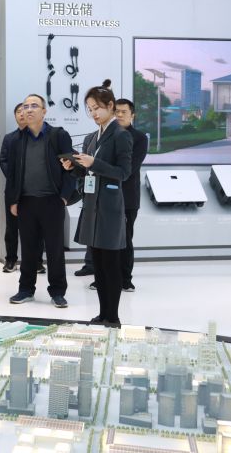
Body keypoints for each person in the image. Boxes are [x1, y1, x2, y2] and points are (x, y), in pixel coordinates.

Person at [61, 80, 133, 326]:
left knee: (110, 265)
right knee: (99, 265)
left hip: (110, 208)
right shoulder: (92, 137)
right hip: (92, 206)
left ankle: (113, 317)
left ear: (110, 106)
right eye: (90, 109)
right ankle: (103, 313)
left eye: (97, 108)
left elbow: (124, 172)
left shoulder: (121, 135)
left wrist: (95, 163)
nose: (93, 113)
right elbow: (86, 173)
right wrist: (73, 167)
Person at [5, 95, 75, 309]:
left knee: (55, 249)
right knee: (28, 249)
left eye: (34, 106)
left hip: (52, 201)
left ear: (44, 111)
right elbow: (12, 174)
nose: (28, 109)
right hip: (26, 202)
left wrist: (64, 197)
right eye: (25, 106)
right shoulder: (17, 140)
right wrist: (13, 200)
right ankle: (26, 289)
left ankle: (58, 292)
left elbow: (70, 169)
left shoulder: (58, 135)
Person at [0, 103, 45, 274]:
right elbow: (3, 161)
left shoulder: (39, 136)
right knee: (12, 227)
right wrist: (16, 178)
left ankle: (37, 261)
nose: (21, 114)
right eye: (18, 112)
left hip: (35, 190)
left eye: (23, 111)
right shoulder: (9, 138)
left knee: (37, 227)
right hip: (13, 190)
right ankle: (11, 260)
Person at [113, 98, 147, 292]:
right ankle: (104, 278)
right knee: (105, 241)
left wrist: (105, 169)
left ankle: (125, 279)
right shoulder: (107, 135)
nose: (119, 115)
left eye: (123, 112)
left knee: (124, 239)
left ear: (132, 115)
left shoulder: (139, 138)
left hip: (127, 198)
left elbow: (129, 169)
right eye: (116, 111)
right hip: (106, 196)